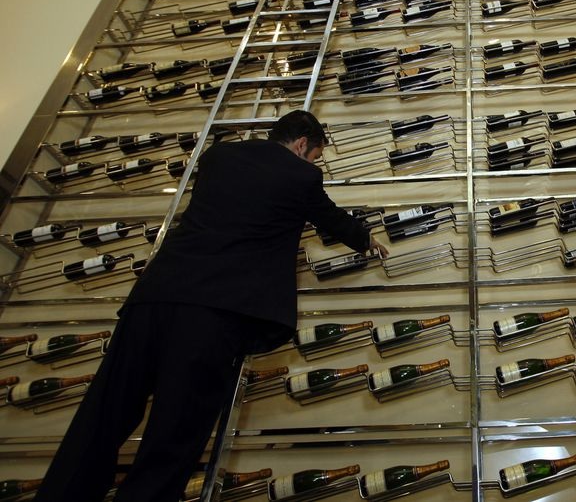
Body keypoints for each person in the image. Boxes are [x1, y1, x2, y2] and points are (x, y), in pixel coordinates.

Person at [35, 110, 388, 502]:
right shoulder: (302, 175)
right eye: (314, 156)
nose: (312, 164)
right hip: (213, 311)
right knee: (174, 433)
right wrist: (366, 238)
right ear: (303, 144)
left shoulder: (218, 158)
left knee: (102, 414)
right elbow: (330, 218)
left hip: (153, 297)